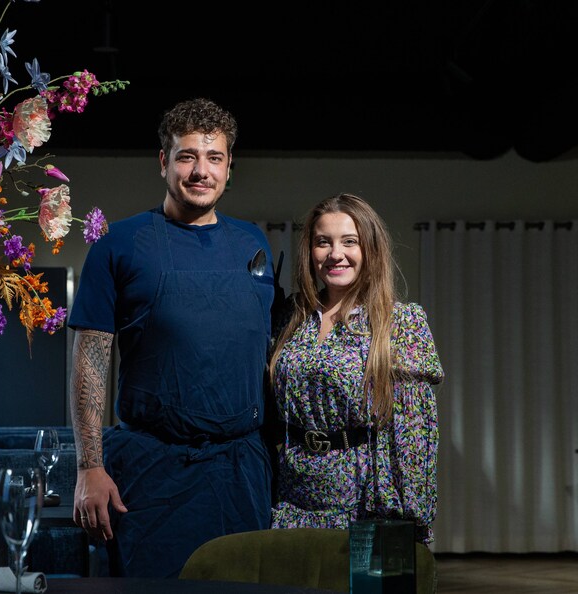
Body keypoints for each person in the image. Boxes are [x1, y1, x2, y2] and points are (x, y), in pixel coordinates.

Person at [67, 98, 275, 577]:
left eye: (214, 158)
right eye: (187, 157)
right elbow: (89, 362)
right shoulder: (119, 245)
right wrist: (89, 467)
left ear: (229, 167)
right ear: (164, 162)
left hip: (242, 472)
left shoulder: (253, 243)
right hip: (153, 472)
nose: (201, 171)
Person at [269, 192, 444, 543]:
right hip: (291, 496)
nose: (336, 254)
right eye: (323, 242)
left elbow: (413, 438)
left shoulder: (400, 323)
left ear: (370, 249)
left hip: (363, 505)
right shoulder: (291, 315)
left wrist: (405, 521)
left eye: (350, 241)